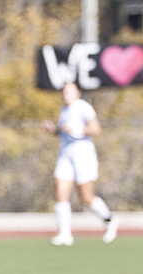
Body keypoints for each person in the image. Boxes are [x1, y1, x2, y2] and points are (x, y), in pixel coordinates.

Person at [41, 81, 119, 245]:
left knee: (86, 197)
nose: (66, 94)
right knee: (60, 192)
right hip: (65, 156)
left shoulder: (84, 107)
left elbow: (96, 130)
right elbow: (63, 133)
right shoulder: (64, 110)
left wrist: (77, 129)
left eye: (70, 91)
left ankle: (109, 220)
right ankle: (65, 234)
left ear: (78, 92)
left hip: (83, 156)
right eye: (64, 91)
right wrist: (53, 130)